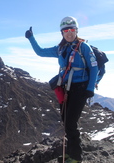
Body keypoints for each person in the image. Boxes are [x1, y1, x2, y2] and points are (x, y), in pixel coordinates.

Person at [25, 16, 98, 163]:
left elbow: (94, 67)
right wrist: (31, 38)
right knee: (66, 121)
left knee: (71, 123)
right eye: (66, 30)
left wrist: (90, 89)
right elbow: (40, 51)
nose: (69, 33)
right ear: (62, 33)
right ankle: (70, 153)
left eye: (72, 30)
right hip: (65, 89)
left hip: (80, 89)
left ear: (76, 31)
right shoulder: (60, 48)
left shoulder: (84, 47)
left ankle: (76, 157)